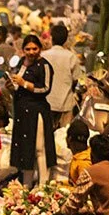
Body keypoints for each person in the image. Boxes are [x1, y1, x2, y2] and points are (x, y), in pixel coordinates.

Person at [6, 33, 53, 187]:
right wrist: (12, 87)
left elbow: (45, 89)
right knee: (25, 149)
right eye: (28, 49)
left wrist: (25, 83)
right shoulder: (21, 63)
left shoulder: (44, 65)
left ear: (40, 48)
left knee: (39, 148)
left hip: (36, 111)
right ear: (23, 50)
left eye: (35, 48)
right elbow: (17, 85)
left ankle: (43, 184)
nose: (31, 52)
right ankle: (26, 185)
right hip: (21, 111)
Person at [41, 21, 79, 171]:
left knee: (45, 138)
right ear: (65, 39)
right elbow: (76, 79)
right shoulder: (71, 57)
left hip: (46, 102)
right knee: (63, 139)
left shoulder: (43, 55)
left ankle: (45, 166)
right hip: (65, 104)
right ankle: (63, 167)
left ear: (52, 38)